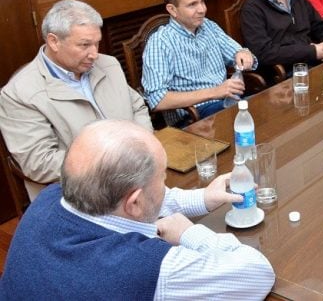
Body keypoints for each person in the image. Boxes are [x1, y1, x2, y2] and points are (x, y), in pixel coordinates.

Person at [1, 120, 275, 299]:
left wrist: (202, 197)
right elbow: (258, 273)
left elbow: (138, 202)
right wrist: (190, 233)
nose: (165, 185)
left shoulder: (51, 197)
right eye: (163, 179)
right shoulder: (148, 268)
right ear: (134, 202)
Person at [0, 0, 152, 200]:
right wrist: (112, 161)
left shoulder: (109, 64)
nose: (95, 54)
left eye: (97, 43)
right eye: (84, 45)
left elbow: (137, 105)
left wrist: (144, 144)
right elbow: (39, 164)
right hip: (77, 195)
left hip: (134, 175)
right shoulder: (19, 93)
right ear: (54, 41)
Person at [142, 0, 255, 126]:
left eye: (202, 1)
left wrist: (244, 54)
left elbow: (238, 53)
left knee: (268, 111)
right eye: (192, 5)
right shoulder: (160, 42)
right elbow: (158, 100)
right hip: (194, 117)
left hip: (228, 103)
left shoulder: (208, 26)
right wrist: (215, 92)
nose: (202, 9)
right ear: (172, 9)